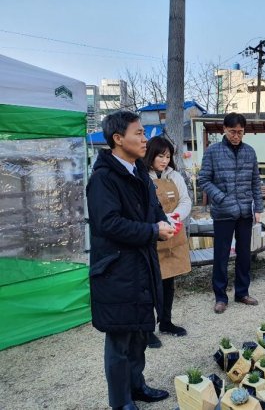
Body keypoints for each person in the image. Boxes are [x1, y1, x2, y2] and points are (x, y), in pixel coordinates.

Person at [87, 111, 173, 409]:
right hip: (116, 270)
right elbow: (108, 223)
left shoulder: (138, 172)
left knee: (138, 331)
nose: (144, 138)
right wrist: (152, 230)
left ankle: (137, 386)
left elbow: (154, 207)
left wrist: (164, 222)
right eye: (139, 133)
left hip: (140, 264)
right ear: (118, 138)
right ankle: (121, 401)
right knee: (120, 339)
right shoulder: (103, 179)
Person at [198, 112, 263, 314]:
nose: (236, 135)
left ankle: (242, 292)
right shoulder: (212, 151)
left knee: (244, 254)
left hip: (245, 211)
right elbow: (204, 180)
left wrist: (258, 207)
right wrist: (221, 198)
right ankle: (220, 296)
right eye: (233, 131)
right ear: (224, 130)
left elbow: (255, 182)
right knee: (221, 255)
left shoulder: (250, 152)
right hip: (223, 212)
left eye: (240, 132)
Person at [143, 136, 192, 348]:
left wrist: (175, 216)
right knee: (150, 285)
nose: (164, 160)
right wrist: (160, 222)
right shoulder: (143, 176)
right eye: (160, 156)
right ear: (151, 155)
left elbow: (185, 200)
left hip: (174, 232)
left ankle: (166, 321)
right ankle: (147, 329)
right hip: (153, 235)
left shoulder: (175, 176)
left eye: (168, 156)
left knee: (169, 282)